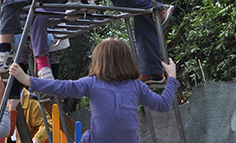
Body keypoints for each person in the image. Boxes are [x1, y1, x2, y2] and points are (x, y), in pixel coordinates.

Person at [9, 37, 180, 143]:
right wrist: (171, 78)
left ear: (99, 61)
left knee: (86, 137)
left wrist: (28, 80)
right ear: (127, 61)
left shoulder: (92, 83)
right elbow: (163, 104)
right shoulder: (136, 86)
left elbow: (62, 87)